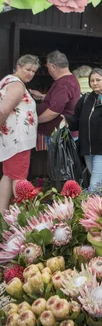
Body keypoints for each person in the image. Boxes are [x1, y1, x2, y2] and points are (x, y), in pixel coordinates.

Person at [0, 55, 39, 213]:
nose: (31, 73)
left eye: (34, 71)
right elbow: (3, 110)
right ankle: (23, 216)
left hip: (11, 140)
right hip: (19, 141)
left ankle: (3, 212)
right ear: (18, 66)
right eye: (28, 69)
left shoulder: (7, 81)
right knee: (19, 178)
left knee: (8, 175)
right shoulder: (17, 85)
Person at [32, 51, 81, 144]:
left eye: (48, 67)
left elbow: (54, 111)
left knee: (56, 159)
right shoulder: (68, 80)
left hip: (59, 136)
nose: (48, 70)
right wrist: (43, 96)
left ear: (53, 66)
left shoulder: (64, 83)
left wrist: (35, 121)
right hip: (60, 134)